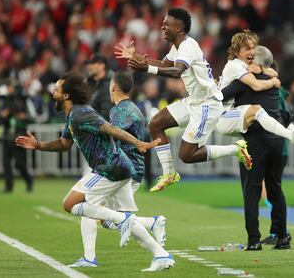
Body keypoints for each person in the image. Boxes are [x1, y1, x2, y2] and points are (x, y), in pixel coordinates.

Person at [15, 73, 175, 272]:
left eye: (56, 89)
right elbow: (64, 144)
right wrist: (38, 145)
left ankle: (119, 224)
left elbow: (110, 129)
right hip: (119, 168)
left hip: (110, 168)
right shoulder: (72, 114)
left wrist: (138, 143)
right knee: (117, 219)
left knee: (71, 204)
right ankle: (161, 254)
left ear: (66, 96)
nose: (53, 92)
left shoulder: (81, 113)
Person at [114, 7, 252, 193]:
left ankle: (236, 149)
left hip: (207, 104)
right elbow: (164, 65)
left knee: (187, 155)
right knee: (155, 123)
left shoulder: (188, 46)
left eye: (166, 24)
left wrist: (146, 68)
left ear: (178, 28)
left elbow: (177, 71)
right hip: (194, 101)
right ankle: (169, 173)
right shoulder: (178, 46)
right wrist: (135, 57)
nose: (162, 27)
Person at [70, 71, 167, 268]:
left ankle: (90, 258)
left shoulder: (120, 110)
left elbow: (113, 133)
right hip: (127, 168)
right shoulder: (133, 107)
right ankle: (153, 226)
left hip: (123, 170)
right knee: (107, 217)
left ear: (112, 87)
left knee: (95, 208)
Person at [220, 44, 290, 251]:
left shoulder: (243, 82)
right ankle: (282, 238)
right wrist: (269, 74)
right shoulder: (275, 84)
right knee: (275, 189)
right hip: (277, 141)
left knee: (251, 191)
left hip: (255, 140)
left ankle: (254, 241)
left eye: (249, 59)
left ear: (253, 62)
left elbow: (221, 95)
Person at [217, 41, 294, 153]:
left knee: (275, 114)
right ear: (238, 53)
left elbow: (272, 73)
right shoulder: (239, 73)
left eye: (252, 49)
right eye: (248, 49)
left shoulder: (247, 72)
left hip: (248, 128)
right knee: (260, 111)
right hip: (225, 117)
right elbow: (257, 85)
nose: (251, 53)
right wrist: (273, 82)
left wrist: (262, 70)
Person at [0, 83, 33, 193]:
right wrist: (1, 116)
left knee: (20, 164)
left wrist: (23, 117)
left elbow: (30, 117)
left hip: (19, 137)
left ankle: (29, 181)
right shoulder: (3, 103)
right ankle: (8, 187)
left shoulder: (22, 101)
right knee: (6, 164)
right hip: (7, 137)